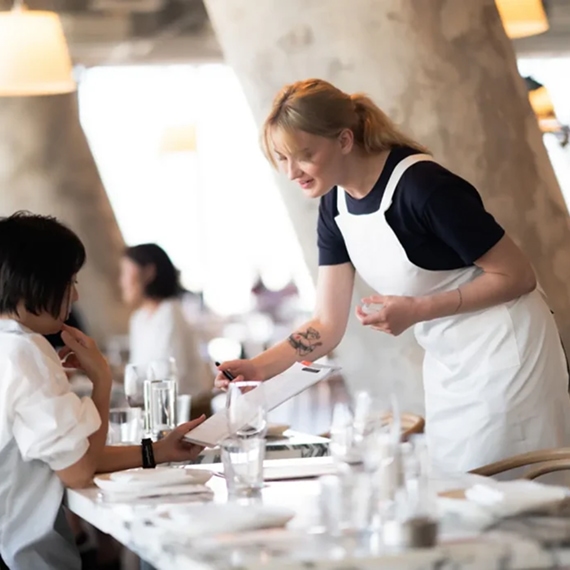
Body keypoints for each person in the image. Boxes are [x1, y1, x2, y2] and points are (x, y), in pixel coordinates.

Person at [215, 78, 570, 475]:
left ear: (344, 140)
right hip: (449, 362)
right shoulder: (334, 206)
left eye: (304, 155)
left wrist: (417, 309)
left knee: (504, 489)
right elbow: (327, 325)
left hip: (508, 351)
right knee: (455, 487)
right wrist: (258, 369)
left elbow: (518, 275)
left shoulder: (423, 188)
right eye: (282, 159)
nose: (291, 171)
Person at [0, 212, 205, 570]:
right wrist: (101, 380)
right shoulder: (25, 351)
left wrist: (158, 450)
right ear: (37, 279)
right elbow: (79, 470)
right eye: (70, 280)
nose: (76, 294)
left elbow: (70, 455)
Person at [120, 244, 212, 399]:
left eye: (125, 272)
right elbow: (137, 373)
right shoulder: (138, 318)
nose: (122, 281)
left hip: (187, 407)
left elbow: (169, 378)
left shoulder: (170, 313)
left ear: (148, 272)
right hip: (153, 403)